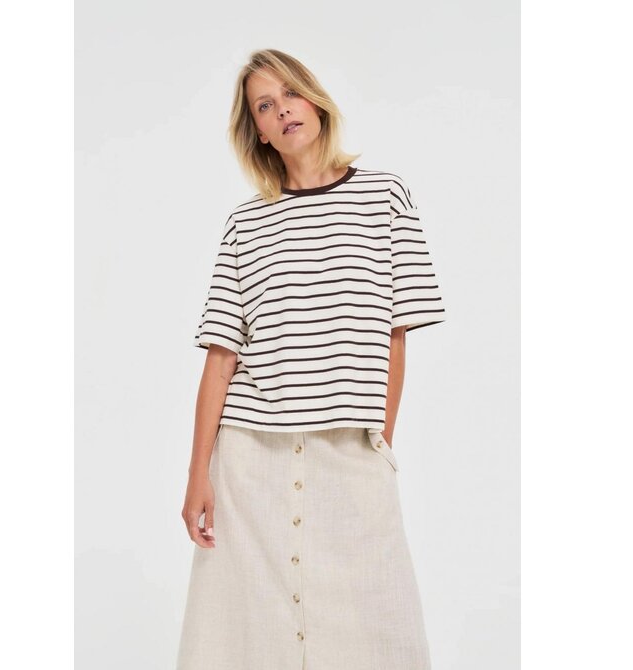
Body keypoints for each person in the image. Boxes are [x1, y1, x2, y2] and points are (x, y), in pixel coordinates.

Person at [175, 48, 446, 670]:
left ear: (315, 100)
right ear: (258, 132)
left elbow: (396, 332)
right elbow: (221, 357)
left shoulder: (385, 197)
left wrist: (380, 436)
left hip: (349, 447)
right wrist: (197, 475)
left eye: (290, 94)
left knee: (375, 618)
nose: (282, 110)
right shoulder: (245, 225)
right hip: (250, 456)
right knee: (244, 630)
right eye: (264, 106)